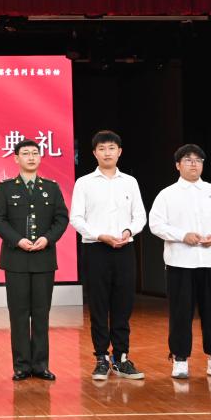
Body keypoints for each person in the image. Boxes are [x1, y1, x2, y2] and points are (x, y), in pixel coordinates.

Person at [149, 144, 211, 380]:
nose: (194, 164)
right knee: (180, 313)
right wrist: (182, 235)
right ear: (178, 165)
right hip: (180, 262)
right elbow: (156, 224)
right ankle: (180, 359)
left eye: (198, 160)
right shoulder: (167, 194)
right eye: (188, 160)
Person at [69, 130, 147, 381]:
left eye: (111, 148)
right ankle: (101, 357)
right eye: (102, 149)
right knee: (99, 305)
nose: (107, 153)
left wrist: (128, 231)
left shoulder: (130, 182)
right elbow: (76, 218)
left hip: (124, 248)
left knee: (123, 305)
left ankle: (121, 357)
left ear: (119, 152)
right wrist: (99, 235)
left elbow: (140, 216)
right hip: (96, 249)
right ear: (94, 153)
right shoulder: (84, 183)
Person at [0, 138, 69, 381]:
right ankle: (22, 366)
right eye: (26, 153)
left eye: (35, 153)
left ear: (40, 157)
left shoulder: (51, 188)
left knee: (41, 314)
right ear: (16, 158)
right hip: (16, 259)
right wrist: (17, 240)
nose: (31, 157)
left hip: (44, 259)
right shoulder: (5, 188)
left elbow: (61, 219)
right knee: (19, 314)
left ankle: (41, 365)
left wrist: (47, 238)